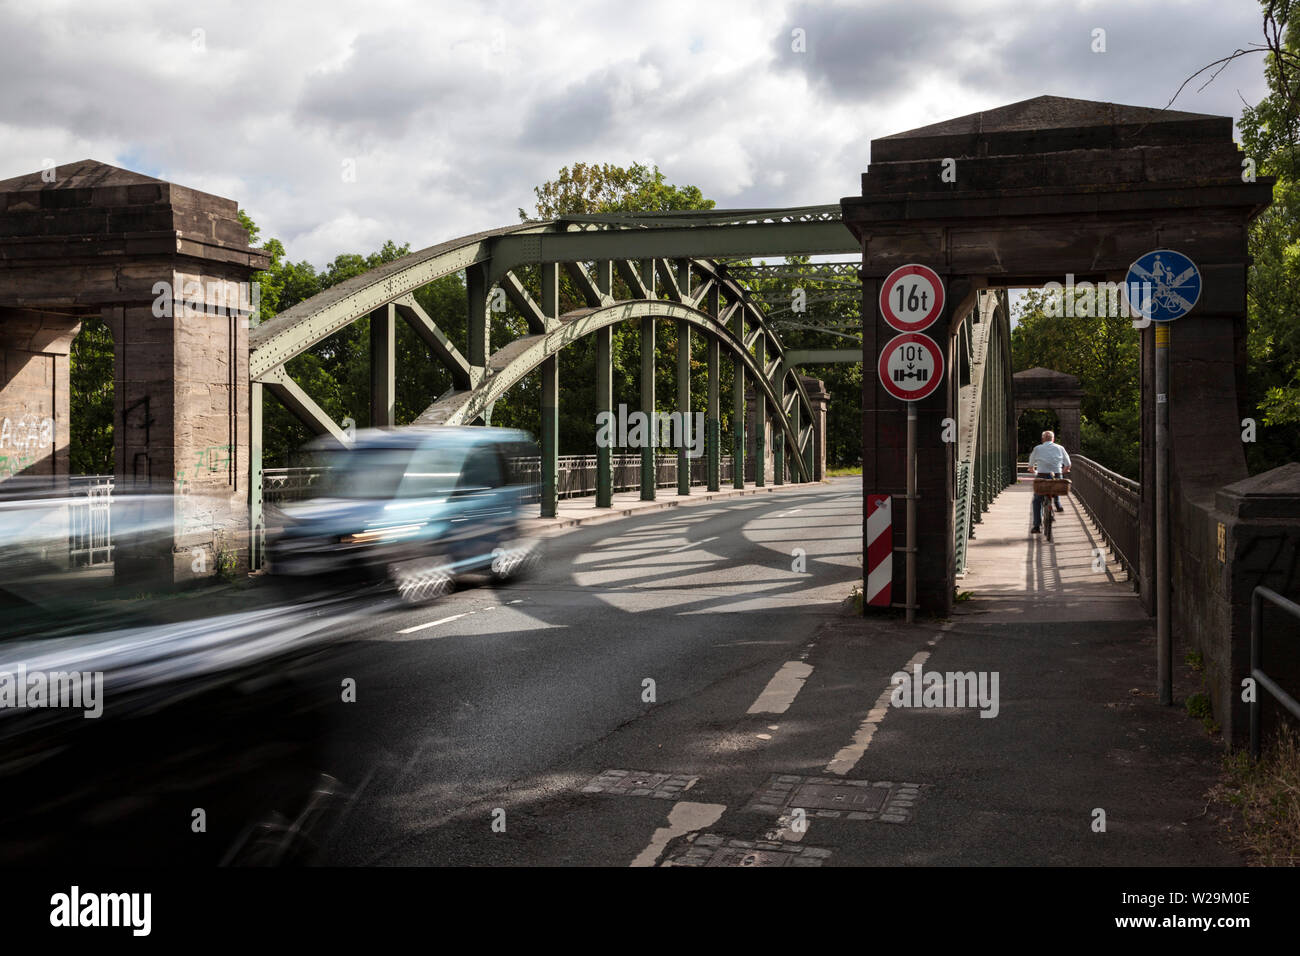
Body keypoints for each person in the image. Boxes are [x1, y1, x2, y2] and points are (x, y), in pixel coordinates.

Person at [1027, 429, 1071, 534]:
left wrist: (1033, 470)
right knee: (1056, 483)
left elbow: (1030, 465)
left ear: (1043, 439)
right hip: (1056, 474)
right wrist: (1062, 471)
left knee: (1037, 500)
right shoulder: (1060, 448)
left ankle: (1036, 526)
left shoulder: (1037, 448)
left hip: (1042, 476)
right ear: (1053, 439)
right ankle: (1057, 503)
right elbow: (1068, 464)